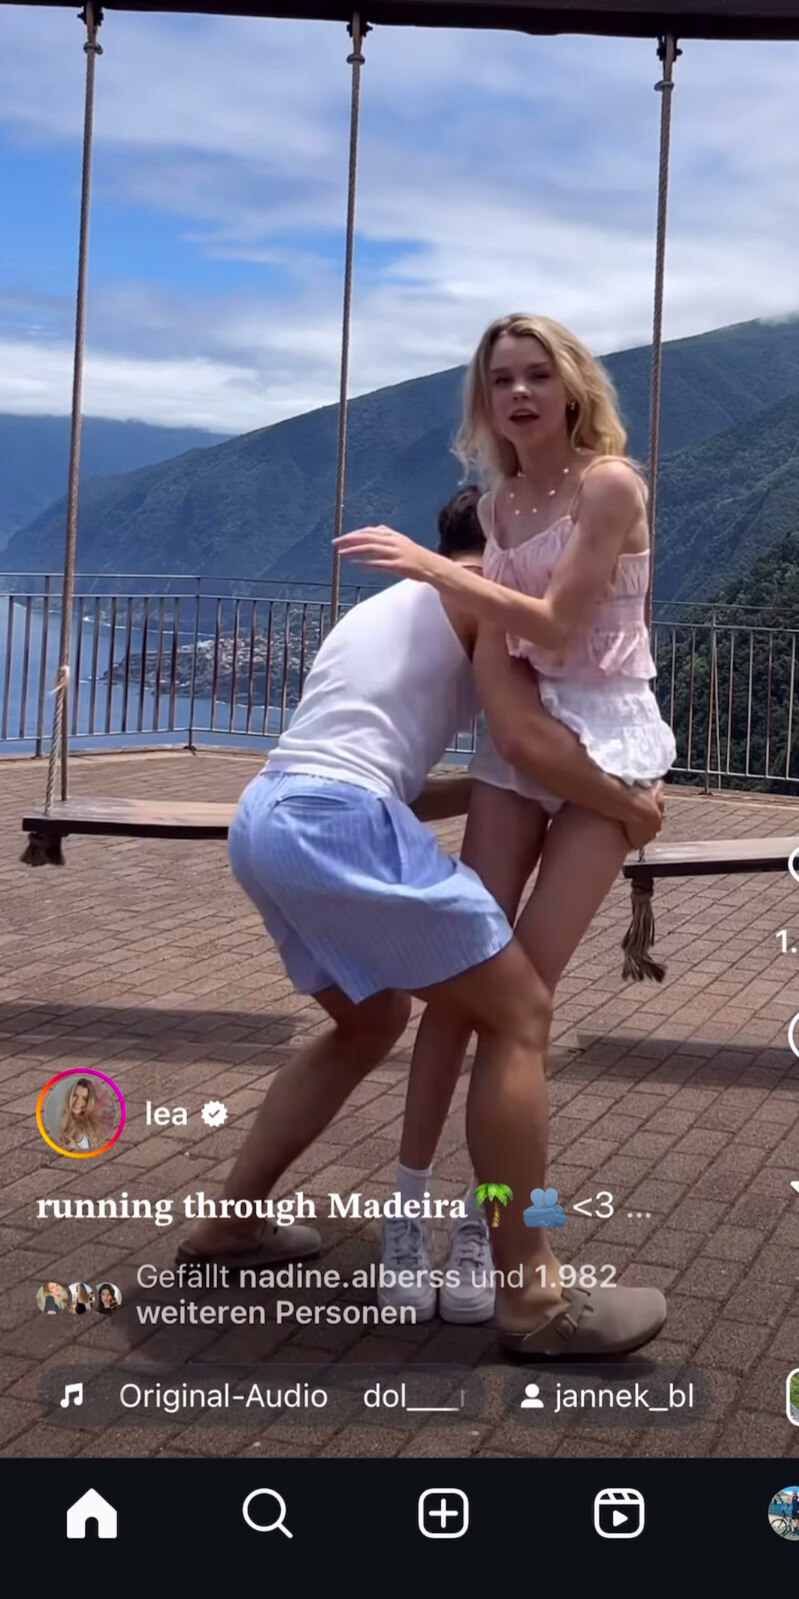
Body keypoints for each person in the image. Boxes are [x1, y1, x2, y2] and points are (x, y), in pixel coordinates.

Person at [179, 487, 666, 1358]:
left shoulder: (385, 608)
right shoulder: (482, 602)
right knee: (519, 1012)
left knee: (372, 1023)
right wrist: (628, 804)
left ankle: (230, 1223)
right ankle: (531, 1295)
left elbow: (389, 775)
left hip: (269, 817)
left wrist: (494, 793)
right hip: (336, 822)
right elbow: (525, 740)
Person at [336, 314, 677, 1318]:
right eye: (500, 380)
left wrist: (438, 566)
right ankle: (408, 1210)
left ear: (572, 387)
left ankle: (487, 1231)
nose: (520, 394)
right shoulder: (498, 501)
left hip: (604, 741)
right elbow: (510, 644)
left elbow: (562, 624)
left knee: (519, 992)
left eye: (537, 375)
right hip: (517, 733)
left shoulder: (610, 486)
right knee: (462, 987)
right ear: (483, 401)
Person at [55, 1077, 108, 1152]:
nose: (78, 1101)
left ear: (90, 1101)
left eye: (84, 1098)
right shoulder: (64, 1120)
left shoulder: (93, 1126)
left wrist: (75, 1148)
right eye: (75, 1095)